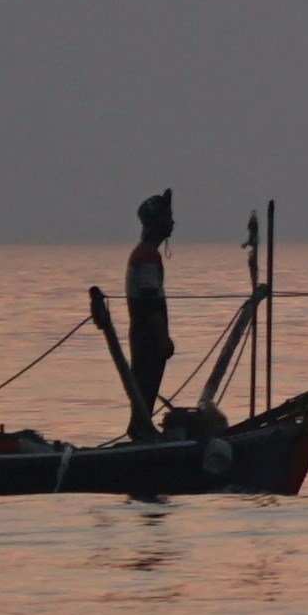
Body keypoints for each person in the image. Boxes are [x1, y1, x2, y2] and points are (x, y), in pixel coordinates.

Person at [122, 189, 175, 441]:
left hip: (142, 332)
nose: (173, 222)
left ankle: (142, 426)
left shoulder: (142, 253)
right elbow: (150, 301)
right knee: (146, 382)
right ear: (157, 223)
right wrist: (163, 338)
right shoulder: (148, 256)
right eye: (168, 216)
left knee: (143, 383)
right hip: (147, 334)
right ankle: (141, 429)